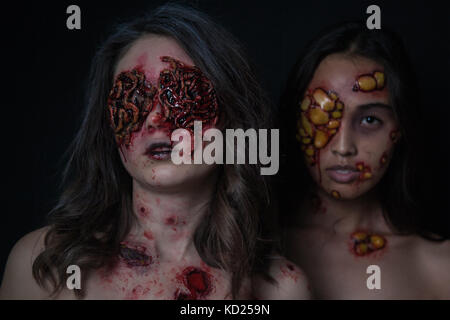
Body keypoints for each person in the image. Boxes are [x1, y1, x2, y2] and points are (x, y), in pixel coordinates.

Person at [0, 4, 310, 300]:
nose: (155, 120)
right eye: (133, 98)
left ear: (233, 120)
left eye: (181, 97)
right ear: (109, 125)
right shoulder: (42, 265)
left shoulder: (282, 288)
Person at [279, 21, 450, 299]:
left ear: (401, 129)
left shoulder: (439, 265)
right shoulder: (251, 247)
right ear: (296, 121)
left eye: (370, 120)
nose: (343, 147)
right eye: (323, 116)